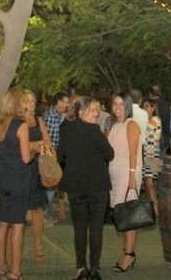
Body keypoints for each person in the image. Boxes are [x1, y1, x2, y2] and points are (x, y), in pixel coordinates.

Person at [59, 98, 114, 280]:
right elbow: (110, 154)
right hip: (98, 186)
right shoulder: (96, 131)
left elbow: (61, 155)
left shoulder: (67, 130)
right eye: (92, 110)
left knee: (80, 228)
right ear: (81, 112)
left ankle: (81, 268)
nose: (96, 113)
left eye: (97, 110)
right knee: (96, 228)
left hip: (76, 186)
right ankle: (95, 269)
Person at [0, 90, 37, 280]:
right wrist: (35, 150)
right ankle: (15, 271)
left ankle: (1, 267)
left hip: (3, 179)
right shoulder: (20, 125)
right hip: (19, 180)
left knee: (2, 223)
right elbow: (25, 158)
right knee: (17, 226)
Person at [107, 94, 143, 273]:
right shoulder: (114, 126)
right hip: (115, 176)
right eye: (115, 103)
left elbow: (133, 153)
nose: (117, 107)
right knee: (121, 216)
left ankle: (129, 255)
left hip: (127, 175)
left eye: (121, 104)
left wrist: (131, 177)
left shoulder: (131, 125)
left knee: (128, 217)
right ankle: (126, 251)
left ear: (128, 106)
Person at [21, 90, 52, 261]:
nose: (31, 104)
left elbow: (47, 143)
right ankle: (16, 246)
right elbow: (19, 147)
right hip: (20, 169)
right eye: (27, 101)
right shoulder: (17, 121)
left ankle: (38, 245)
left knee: (37, 210)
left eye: (33, 101)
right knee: (18, 211)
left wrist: (35, 146)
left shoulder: (39, 121)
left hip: (36, 169)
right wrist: (35, 145)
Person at [42, 92, 69, 216]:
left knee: (51, 184)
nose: (66, 105)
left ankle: (48, 211)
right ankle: (46, 213)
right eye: (65, 102)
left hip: (51, 154)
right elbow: (51, 139)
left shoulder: (56, 115)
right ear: (58, 102)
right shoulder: (52, 116)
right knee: (50, 184)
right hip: (50, 154)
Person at [141, 97, 162, 215]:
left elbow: (145, 134)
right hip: (148, 153)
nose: (144, 109)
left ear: (153, 108)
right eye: (143, 107)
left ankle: (156, 210)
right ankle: (153, 209)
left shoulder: (155, 120)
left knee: (150, 182)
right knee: (148, 182)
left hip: (152, 154)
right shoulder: (148, 120)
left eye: (147, 106)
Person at [150, 85, 171, 156]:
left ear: (150, 94)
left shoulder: (150, 104)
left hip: (153, 137)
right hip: (165, 136)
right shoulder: (166, 104)